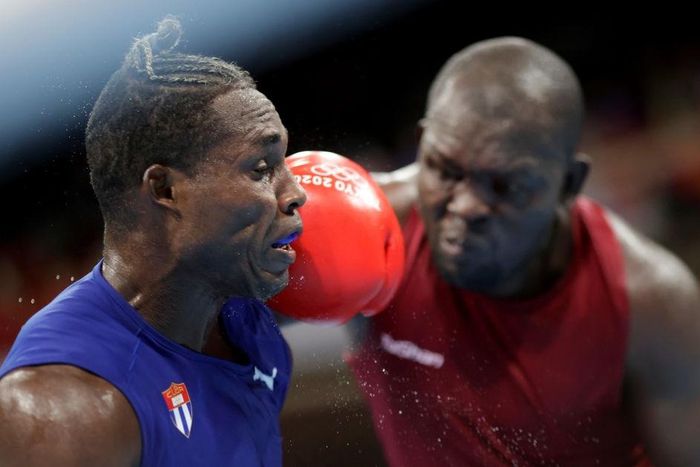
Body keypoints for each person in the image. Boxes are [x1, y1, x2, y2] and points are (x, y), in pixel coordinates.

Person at [346, 37, 700, 466]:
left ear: (569, 184)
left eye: (507, 185)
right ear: (424, 144)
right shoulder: (365, 226)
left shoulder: (652, 301)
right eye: (446, 170)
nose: (466, 206)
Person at [0, 17, 306, 466]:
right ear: (164, 190)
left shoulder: (245, 312)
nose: (295, 193)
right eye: (261, 169)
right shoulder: (63, 412)